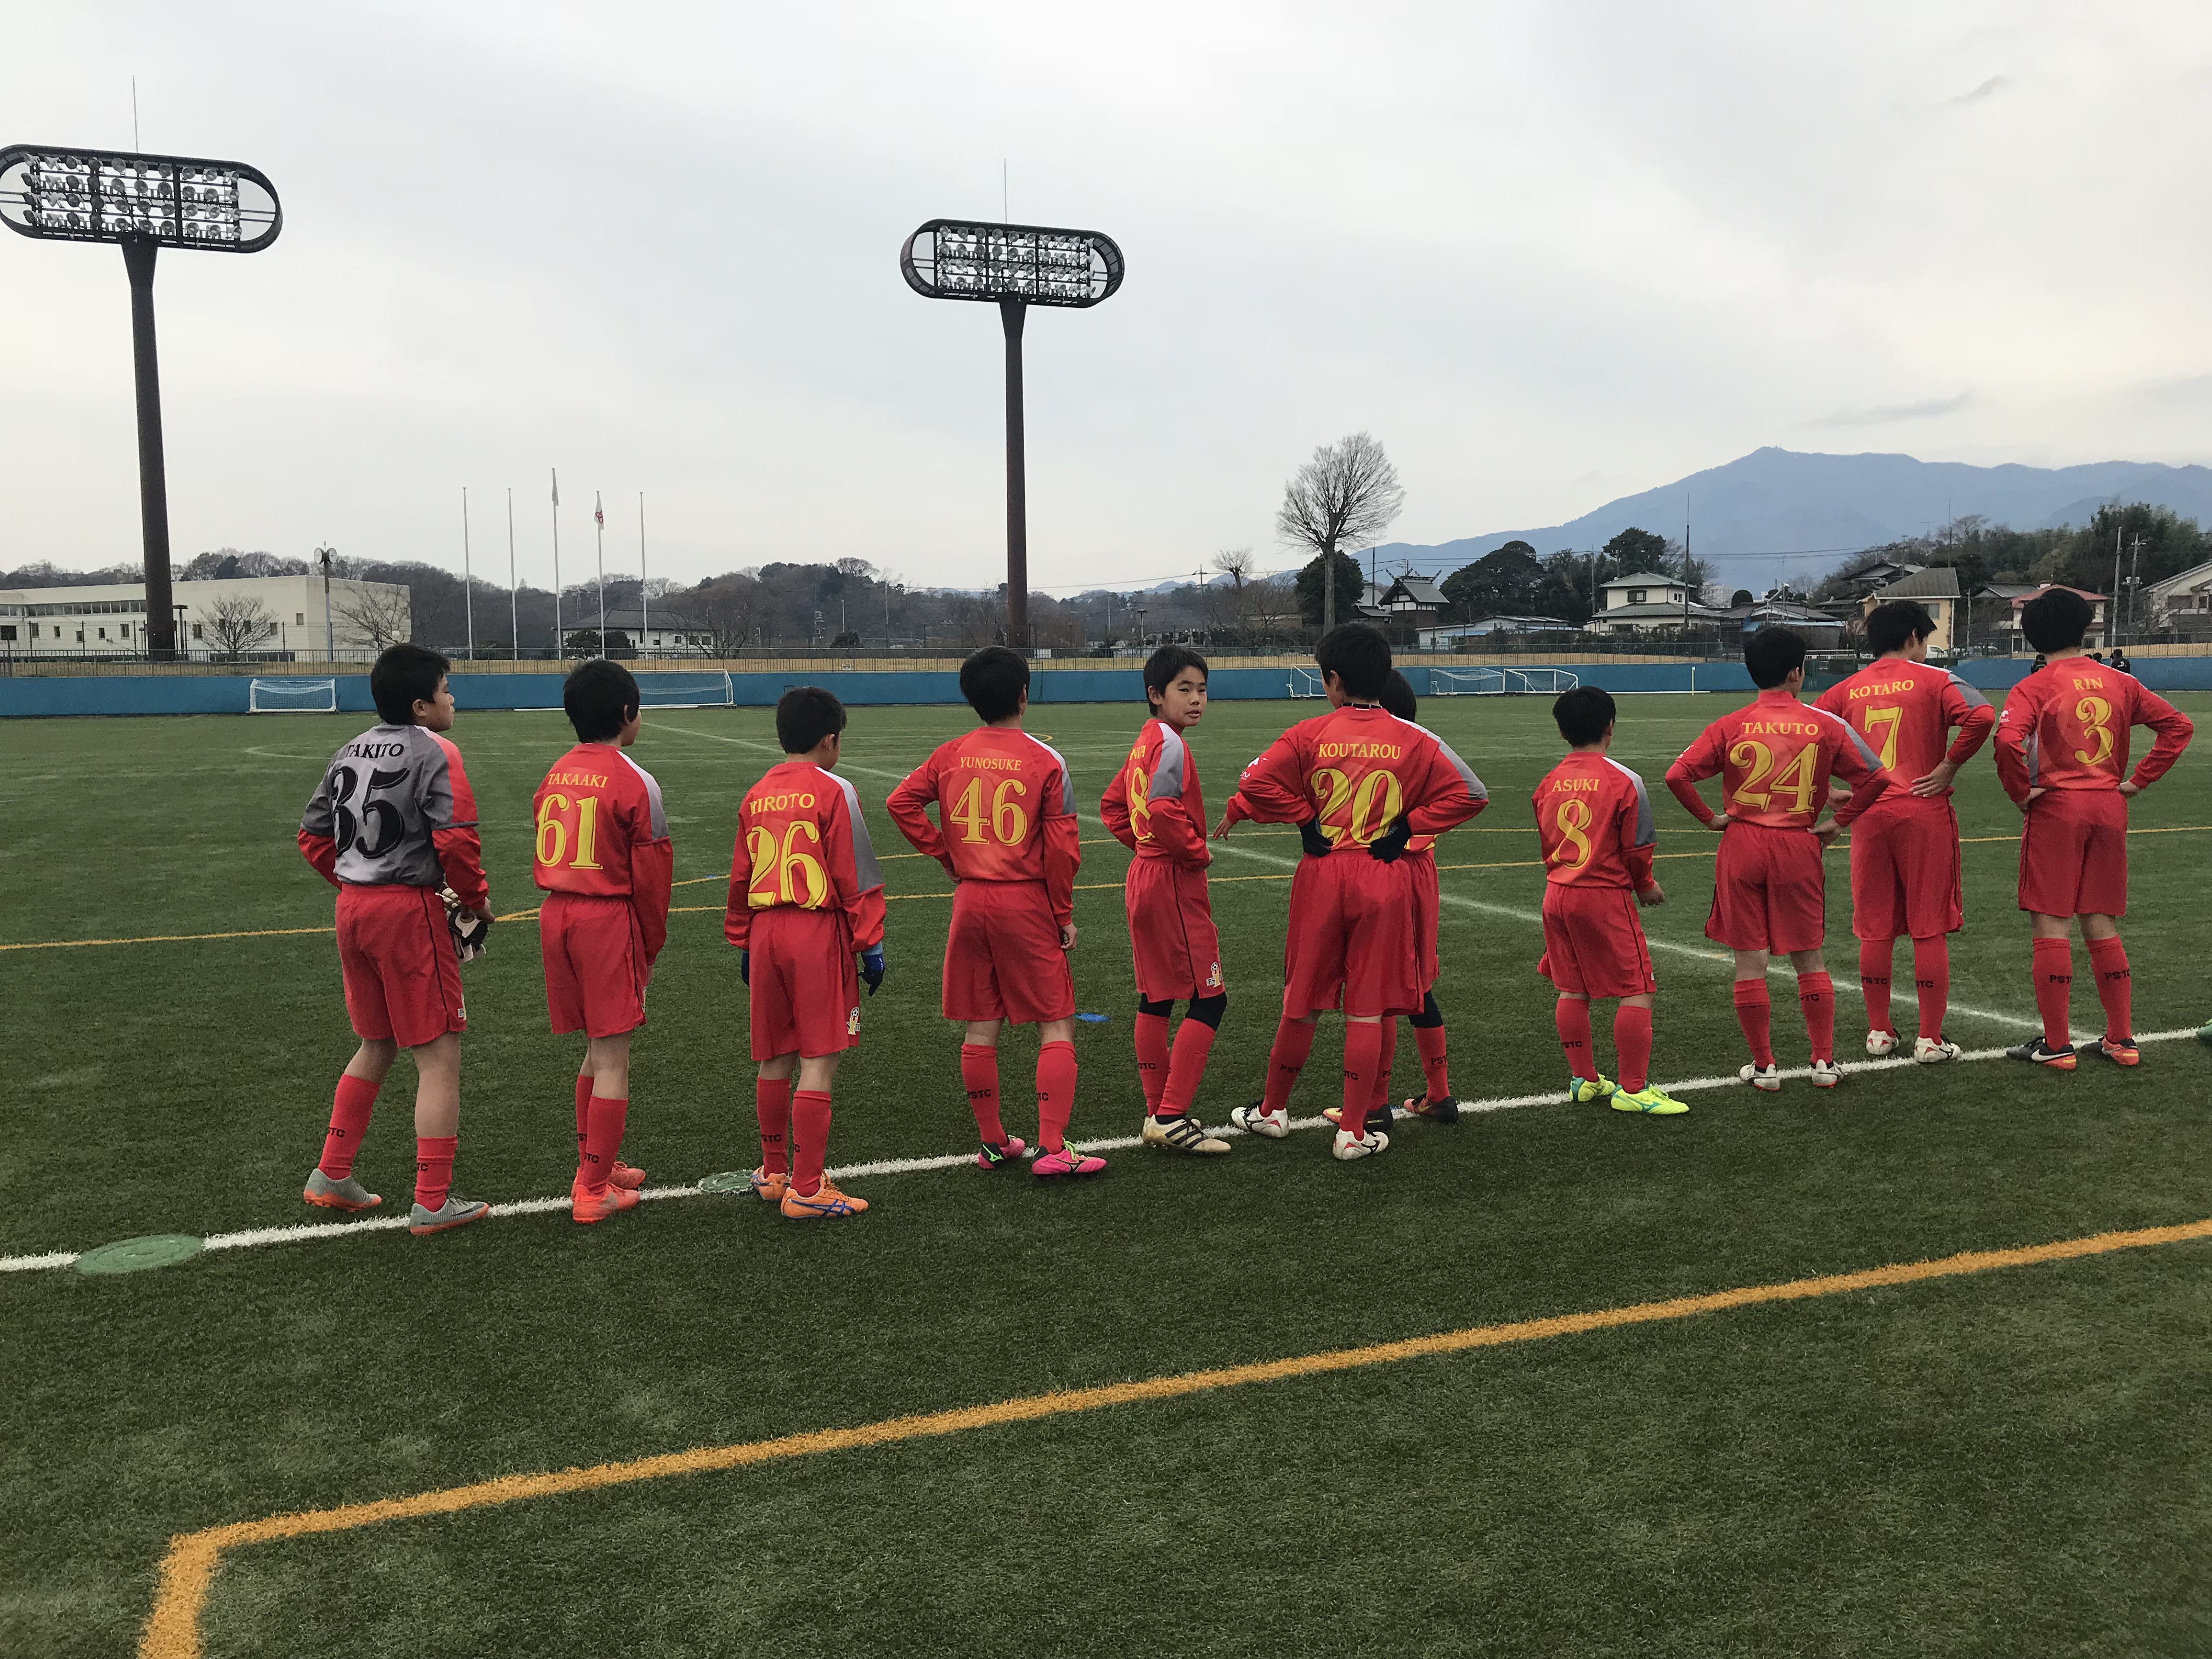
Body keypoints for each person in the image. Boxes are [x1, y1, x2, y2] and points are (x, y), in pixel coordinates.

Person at [1214, 624, 1486, 1160]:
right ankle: (1354, 1132)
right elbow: (1472, 794)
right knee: (1369, 1008)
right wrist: (1407, 829)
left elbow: (1253, 782)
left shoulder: (1308, 733)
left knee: (1301, 1000)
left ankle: (1271, 1111)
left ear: (1332, 679)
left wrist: (1303, 816)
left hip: (1322, 873)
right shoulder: (1416, 738)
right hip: (1385, 874)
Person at [296, 643, 494, 1236]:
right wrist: (476, 900)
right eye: (445, 689)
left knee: (376, 1042)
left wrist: (356, 881)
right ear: (420, 705)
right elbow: (456, 839)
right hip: (406, 911)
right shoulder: (436, 750)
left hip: (353, 909)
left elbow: (312, 836)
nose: (452, 698)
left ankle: (332, 1172)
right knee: (439, 1056)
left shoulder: (349, 748)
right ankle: (432, 1201)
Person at [887, 648, 1102, 1177]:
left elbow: (900, 802)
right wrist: (1063, 912)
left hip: (970, 902)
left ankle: (993, 1142)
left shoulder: (951, 753)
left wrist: (946, 855)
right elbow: (1062, 850)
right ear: (1024, 696)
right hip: (1024, 901)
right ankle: (1053, 1149)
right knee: (1056, 1022)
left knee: (981, 1026)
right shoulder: (1045, 760)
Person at [1664, 626, 1893, 1091]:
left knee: (1750, 964)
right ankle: (1823, 1062)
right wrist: (1838, 822)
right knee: (1810, 958)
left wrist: (1710, 819)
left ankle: (1765, 1067)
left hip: (1743, 844)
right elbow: (1877, 778)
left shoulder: (1732, 724)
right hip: (1797, 844)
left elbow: (1676, 776)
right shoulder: (1825, 724)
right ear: (1796, 673)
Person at [1992, 588, 2194, 1068]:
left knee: (2051, 921)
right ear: (2086, 630)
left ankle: (2057, 1045)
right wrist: (2138, 781)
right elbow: (2178, 727)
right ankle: (2121, 1040)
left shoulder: (2034, 686)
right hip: (2108, 806)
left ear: (2030, 637)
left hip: (2057, 807)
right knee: (2101, 920)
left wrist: (2020, 792)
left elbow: (2006, 741)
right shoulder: (2120, 681)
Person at [726, 686, 887, 1216]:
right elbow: (856, 874)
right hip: (815, 930)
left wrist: (743, 937)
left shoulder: (756, 793)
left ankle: (774, 1172)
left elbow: (741, 875)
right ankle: (809, 1189)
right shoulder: (835, 790)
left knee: (775, 1054)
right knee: (820, 1056)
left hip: (765, 930)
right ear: (830, 740)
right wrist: (871, 942)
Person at [1812, 600, 1995, 1063]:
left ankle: (1879, 1032)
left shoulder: (1846, 689)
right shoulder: (1936, 680)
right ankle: (1930, 1039)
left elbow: (1810, 734)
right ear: (1914, 637)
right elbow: (1982, 716)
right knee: (1928, 926)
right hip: (1922, 809)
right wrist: (1949, 765)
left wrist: (1829, 789)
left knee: (1875, 928)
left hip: (1869, 815)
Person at [532, 659, 673, 1224]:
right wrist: (650, 948)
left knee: (595, 1048)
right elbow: (653, 879)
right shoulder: (636, 780)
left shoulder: (557, 772)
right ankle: (592, 1189)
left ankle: (598, 1164)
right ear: (628, 713)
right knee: (614, 1055)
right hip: (605, 919)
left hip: (557, 914)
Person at [1098, 645, 1232, 1154]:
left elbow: (1113, 807)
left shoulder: (1146, 740)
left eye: (1202, 690)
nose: (1197, 699)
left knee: (1156, 996)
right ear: (1156, 695)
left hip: (1146, 876)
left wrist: (1143, 849)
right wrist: (1195, 853)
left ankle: (1158, 1114)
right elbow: (1159, 807)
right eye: (1185, 689)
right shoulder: (1170, 743)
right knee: (1210, 997)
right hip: (1172, 879)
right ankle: (1173, 1115)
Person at [1535, 687, 1686, 1114]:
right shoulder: (1625, 780)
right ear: (1610, 727)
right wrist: (1645, 884)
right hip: (1601, 895)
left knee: (1572, 987)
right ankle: (1633, 1090)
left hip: (1557, 893)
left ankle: (1584, 1079)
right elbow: (1638, 846)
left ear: (1562, 732)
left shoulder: (1549, 781)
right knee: (1638, 988)